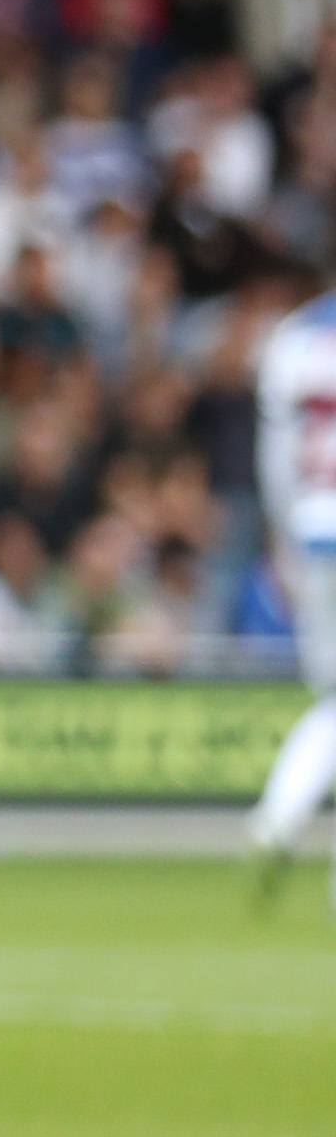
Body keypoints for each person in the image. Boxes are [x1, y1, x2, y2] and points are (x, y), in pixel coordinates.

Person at [242, 282, 336, 898]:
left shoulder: (295, 337)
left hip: (314, 528)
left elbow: (274, 454)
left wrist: (284, 538)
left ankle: (280, 816)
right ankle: (280, 813)